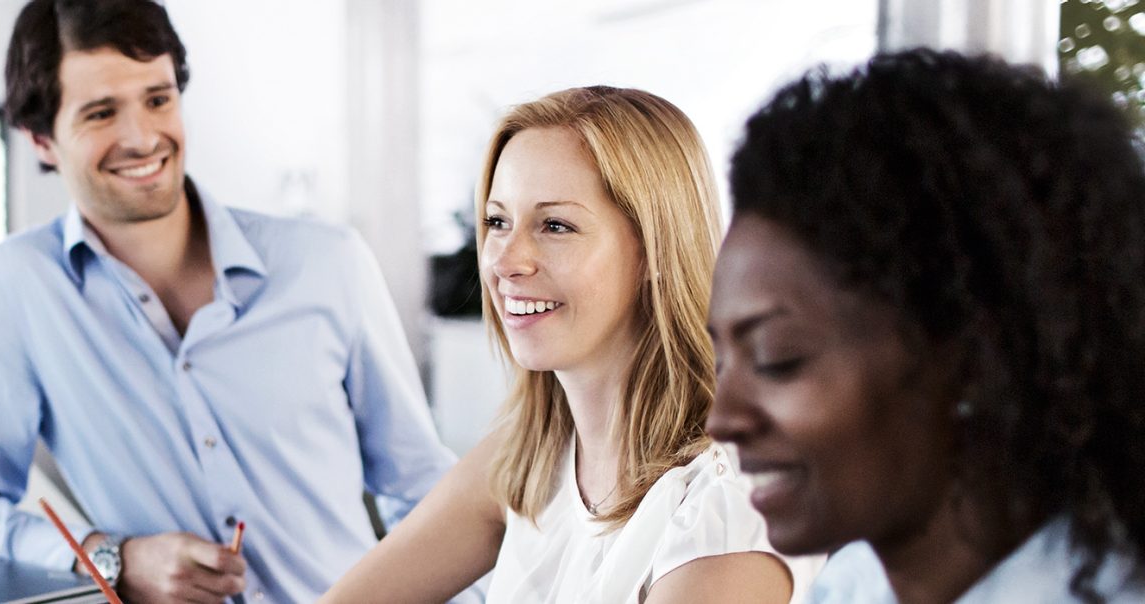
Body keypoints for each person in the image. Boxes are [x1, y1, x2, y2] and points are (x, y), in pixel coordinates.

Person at [0, 0, 456, 601]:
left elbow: (426, 494)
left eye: (158, 98)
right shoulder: (16, 290)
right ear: (41, 140)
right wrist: (114, 557)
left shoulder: (327, 264)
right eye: (101, 112)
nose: (142, 137)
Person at [323, 86, 819, 603]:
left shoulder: (731, 503)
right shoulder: (530, 454)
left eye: (555, 226)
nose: (506, 261)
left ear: (655, 250)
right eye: (497, 222)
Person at [709, 49, 1145, 603]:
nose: (722, 418)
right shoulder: (851, 588)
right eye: (722, 359)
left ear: (973, 361)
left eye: (777, 359)